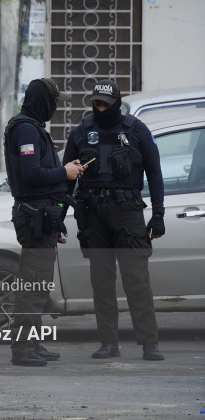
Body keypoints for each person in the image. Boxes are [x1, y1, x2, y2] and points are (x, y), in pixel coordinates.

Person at [63, 79, 166, 361]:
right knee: (102, 281)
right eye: (96, 103)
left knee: (137, 280)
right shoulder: (81, 133)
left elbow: (155, 174)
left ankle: (149, 344)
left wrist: (158, 216)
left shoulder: (136, 130)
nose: (100, 108)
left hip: (128, 212)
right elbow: (67, 180)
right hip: (94, 215)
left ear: (117, 103)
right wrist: (59, 217)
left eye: (106, 104)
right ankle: (108, 343)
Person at [3, 78, 84, 367]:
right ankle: (22, 349)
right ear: (42, 100)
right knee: (32, 284)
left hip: (43, 216)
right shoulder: (25, 129)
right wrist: (65, 172)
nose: (56, 106)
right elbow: (32, 174)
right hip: (34, 215)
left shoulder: (33, 127)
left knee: (39, 285)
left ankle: (33, 344)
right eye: (54, 101)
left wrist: (56, 221)